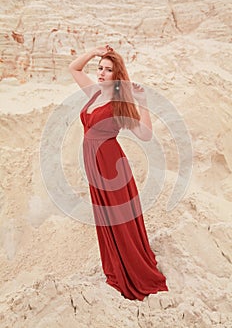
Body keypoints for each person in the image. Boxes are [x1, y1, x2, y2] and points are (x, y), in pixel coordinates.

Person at [69, 45, 168, 301]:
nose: (101, 73)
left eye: (108, 70)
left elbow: (145, 135)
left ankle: (133, 270)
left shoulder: (119, 102)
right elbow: (74, 68)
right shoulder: (93, 94)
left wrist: (143, 103)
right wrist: (93, 51)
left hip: (111, 167)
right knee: (105, 220)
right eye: (100, 68)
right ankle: (115, 267)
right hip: (95, 166)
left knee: (119, 221)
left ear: (117, 75)